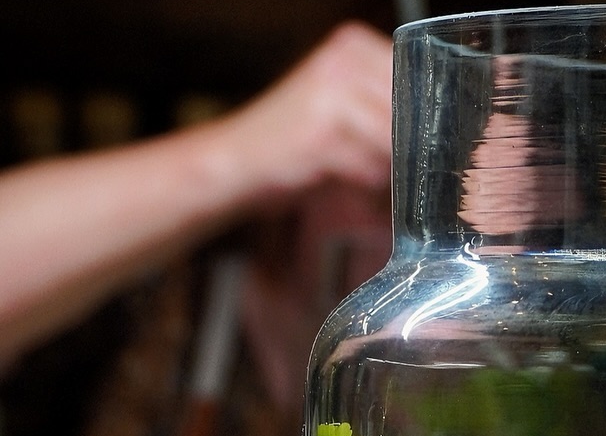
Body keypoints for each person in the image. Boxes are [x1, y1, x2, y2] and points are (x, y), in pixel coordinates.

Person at [0, 22, 393, 374]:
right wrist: (237, 155)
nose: (404, 227)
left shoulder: (439, 361)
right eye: (382, 189)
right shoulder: (161, 299)